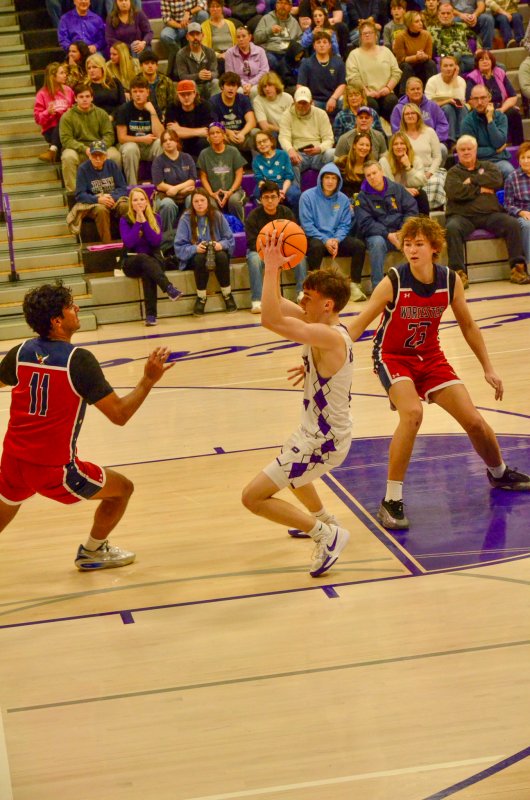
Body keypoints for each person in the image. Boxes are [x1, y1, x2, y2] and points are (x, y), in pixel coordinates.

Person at [344, 216, 530, 531]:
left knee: (473, 420)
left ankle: (498, 473)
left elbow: (469, 325)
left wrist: (488, 368)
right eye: (408, 244)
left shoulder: (449, 280)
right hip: (392, 357)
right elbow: (358, 325)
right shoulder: (393, 281)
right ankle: (391, 500)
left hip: (430, 357)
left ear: (434, 248)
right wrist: (320, 356)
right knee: (412, 414)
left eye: (419, 244)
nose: (412, 250)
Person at [0, 282, 173, 570]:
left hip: (13, 461)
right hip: (53, 469)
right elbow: (119, 415)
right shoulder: (77, 361)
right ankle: (92, 551)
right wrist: (147, 380)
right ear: (57, 321)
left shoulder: (20, 352)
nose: (76, 308)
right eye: (70, 306)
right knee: (123, 490)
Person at [241, 239, 353, 578]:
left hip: (325, 440)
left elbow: (270, 319)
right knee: (292, 469)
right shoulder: (325, 326)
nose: (301, 300)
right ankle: (322, 519)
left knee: (253, 497)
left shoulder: (329, 336)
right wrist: (268, 263)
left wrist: (273, 267)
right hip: (316, 432)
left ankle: (327, 536)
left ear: (327, 304)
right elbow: (276, 307)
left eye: (308, 296)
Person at [445, 135, 529, 288]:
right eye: (462, 150)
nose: (466, 152)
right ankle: (458, 274)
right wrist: (481, 189)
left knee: (512, 223)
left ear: (475, 150)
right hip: (462, 217)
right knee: (451, 228)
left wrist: (472, 180)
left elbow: (497, 180)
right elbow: (455, 192)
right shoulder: (453, 173)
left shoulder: (488, 166)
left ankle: (518, 269)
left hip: (490, 215)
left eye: (469, 149)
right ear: (457, 152)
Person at [299, 162, 367, 302]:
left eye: (334, 178)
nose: (330, 181)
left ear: (338, 181)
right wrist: (326, 240)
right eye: (327, 177)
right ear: (321, 179)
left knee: (358, 245)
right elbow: (307, 225)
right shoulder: (307, 197)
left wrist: (336, 240)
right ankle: (313, 288)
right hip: (316, 238)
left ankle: (354, 285)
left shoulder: (342, 199)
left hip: (336, 240)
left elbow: (345, 224)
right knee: (316, 246)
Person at [120, 188, 182, 326]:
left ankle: (150, 316)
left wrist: (145, 222)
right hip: (131, 261)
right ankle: (168, 288)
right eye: (135, 200)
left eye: (142, 199)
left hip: (153, 260)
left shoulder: (156, 218)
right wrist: (137, 223)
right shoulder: (124, 220)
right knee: (142, 258)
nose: (139, 202)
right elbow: (129, 242)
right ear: (131, 203)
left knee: (148, 271)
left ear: (147, 202)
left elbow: (155, 241)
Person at [354, 159, 418, 289]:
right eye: (368, 175)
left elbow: (411, 210)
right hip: (379, 235)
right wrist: (387, 234)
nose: (372, 177)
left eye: (374, 173)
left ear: (381, 172)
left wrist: (403, 231)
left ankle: (417, 280)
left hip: (401, 232)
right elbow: (366, 223)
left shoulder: (397, 188)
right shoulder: (361, 198)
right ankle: (377, 286)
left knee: (417, 238)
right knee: (377, 243)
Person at [244, 180, 306, 312]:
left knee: (300, 255)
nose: (270, 201)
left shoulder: (287, 213)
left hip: (285, 250)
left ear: (279, 198)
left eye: (273, 197)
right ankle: (257, 300)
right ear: (260, 199)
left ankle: (302, 293)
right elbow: (252, 242)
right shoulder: (253, 216)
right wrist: (270, 253)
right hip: (261, 251)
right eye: (266, 197)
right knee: (253, 259)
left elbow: (295, 237)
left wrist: (281, 251)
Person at [174, 188, 237, 315]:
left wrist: (221, 245)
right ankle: (201, 297)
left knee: (221, 257)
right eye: (196, 201)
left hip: (217, 252)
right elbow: (179, 246)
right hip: (196, 256)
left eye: (202, 200)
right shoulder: (186, 218)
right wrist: (194, 248)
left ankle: (227, 294)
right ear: (192, 203)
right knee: (199, 258)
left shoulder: (217, 215)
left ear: (208, 201)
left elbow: (229, 239)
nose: (199, 203)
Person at [59, 82, 122, 192]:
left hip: (100, 148)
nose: (84, 99)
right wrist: (84, 149)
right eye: (81, 97)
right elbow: (66, 139)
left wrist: (99, 148)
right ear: (75, 98)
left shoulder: (101, 114)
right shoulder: (67, 117)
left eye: (87, 96)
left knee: (114, 155)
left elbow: (109, 135)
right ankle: (74, 195)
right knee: (68, 157)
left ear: (92, 98)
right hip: (79, 150)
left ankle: (116, 190)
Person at [345, 20, 402, 121]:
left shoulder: (386, 51)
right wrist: (366, 92)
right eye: (364, 33)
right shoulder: (354, 54)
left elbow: (396, 72)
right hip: (365, 94)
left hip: (386, 92)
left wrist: (388, 89)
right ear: (361, 36)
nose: (367, 35)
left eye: (370, 33)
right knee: (370, 104)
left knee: (392, 101)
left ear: (376, 35)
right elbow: (352, 77)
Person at [465, 50, 524, 147]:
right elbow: (470, 100)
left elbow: (513, 96)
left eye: (487, 59)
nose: (485, 61)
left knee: (514, 113)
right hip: (482, 109)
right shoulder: (473, 77)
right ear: (477, 63)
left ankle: (518, 147)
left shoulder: (499, 72)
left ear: (492, 61)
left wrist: (502, 109)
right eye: (481, 60)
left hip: (501, 108)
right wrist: (486, 108)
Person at [278, 86, 335, 186]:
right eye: (299, 103)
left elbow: (329, 139)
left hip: (318, 154)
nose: (301, 106)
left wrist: (320, 148)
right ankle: (294, 193)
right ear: (294, 101)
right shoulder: (286, 115)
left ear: (311, 102)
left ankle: (330, 190)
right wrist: (290, 150)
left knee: (333, 153)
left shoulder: (321, 114)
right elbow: (284, 137)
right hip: (298, 155)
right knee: (285, 156)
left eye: (305, 103)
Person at [73, 139, 128, 242]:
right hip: (93, 203)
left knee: (125, 206)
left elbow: (122, 188)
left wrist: (112, 197)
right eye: (94, 155)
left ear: (106, 156)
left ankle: (131, 241)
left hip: (113, 199)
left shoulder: (112, 165)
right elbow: (79, 195)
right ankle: (108, 244)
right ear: (89, 156)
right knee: (101, 210)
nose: (98, 159)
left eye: (101, 155)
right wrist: (98, 199)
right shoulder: (83, 169)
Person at [115, 74, 164, 184]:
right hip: (130, 144)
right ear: (131, 93)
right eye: (135, 91)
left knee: (161, 143)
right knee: (131, 149)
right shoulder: (124, 109)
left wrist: (152, 113)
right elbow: (121, 138)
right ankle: (132, 188)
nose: (138, 95)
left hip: (149, 146)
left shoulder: (153, 107)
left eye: (141, 91)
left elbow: (161, 135)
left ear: (147, 92)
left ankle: (160, 184)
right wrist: (142, 139)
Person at [461, 85, 514, 182]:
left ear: (489, 97)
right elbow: (470, 151)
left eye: (483, 98)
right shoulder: (467, 122)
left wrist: (490, 120)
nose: (479, 102)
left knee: (509, 171)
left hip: (499, 161)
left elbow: (498, 143)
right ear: (471, 101)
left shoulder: (501, 117)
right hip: (477, 163)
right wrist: (496, 151)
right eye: (476, 99)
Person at [399, 102, 446, 210]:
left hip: (429, 170)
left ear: (418, 116)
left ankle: (432, 208)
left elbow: (437, 156)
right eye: (407, 114)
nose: (410, 116)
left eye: (413, 113)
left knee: (436, 182)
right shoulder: (401, 135)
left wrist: (429, 173)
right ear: (403, 117)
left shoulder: (429, 132)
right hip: (409, 170)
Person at [197, 122, 247, 221]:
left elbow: (239, 174)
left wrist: (230, 192)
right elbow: (203, 176)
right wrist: (211, 194)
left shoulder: (233, 151)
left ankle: (240, 228)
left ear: (224, 135)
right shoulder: (204, 154)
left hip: (234, 191)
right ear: (208, 137)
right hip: (213, 192)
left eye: (218, 132)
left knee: (234, 201)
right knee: (210, 203)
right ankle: (216, 231)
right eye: (212, 133)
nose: (215, 135)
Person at [390, 77, 449, 161]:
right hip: (409, 143)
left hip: (431, 141)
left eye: (418, 89)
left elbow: (443, 124)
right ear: (407, 92)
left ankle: (434, 171)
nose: (416, 91)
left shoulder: (433, 106)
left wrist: (434, 140)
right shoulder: (399, 108)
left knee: (442, 149)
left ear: (422, 90)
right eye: (412, 89)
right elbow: (396, 130)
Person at [152, 128, 197, 239]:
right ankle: (166, 238)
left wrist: (177, 189)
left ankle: (194, 234)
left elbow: (192, 180)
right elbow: (159, 184)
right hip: (165, 195)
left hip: (185, 193)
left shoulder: (187, 157)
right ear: (162, 144)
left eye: (171, 139)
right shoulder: (158, 161)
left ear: (177, 141)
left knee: (193, 200)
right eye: (165, 140)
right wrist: (180, 190)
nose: (168, 142)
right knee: (168, 205)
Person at [379, 131, 430, 216]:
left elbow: (422, 182)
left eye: (402, 143)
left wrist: (408, 167)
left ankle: (424, 225)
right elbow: (385, 185)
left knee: (422, 194)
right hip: (392, 196)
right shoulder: (384, 162)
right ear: (391, 147)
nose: (399, 146)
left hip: (411, 195)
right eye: (395, 144)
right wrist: (403, 191)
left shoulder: (416, 160)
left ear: (407, 146)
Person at [253, 0, 303, 85]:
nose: (282, 6)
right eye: (280, 2)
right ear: (276, 5)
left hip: (288, 54)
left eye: (286, 3)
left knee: (303, 61)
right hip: (271, 51)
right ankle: (281, 83)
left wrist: (294, 48)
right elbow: (256, 38)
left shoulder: (294, 22)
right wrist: (270, 31)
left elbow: (300, 39)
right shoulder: (267, 18)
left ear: (291, 7)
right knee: (271, 60)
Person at [34, 62, 75, 163]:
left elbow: (75, 107)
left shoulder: (68, 90)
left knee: (64, 119)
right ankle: (54, 150)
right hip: (51, 130)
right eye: (61, 73)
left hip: (69, 127)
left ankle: (53, 150)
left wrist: (72, 110)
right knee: (62, 120)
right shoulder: (42, 94)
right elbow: (38, 120)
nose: (65, 75)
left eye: (65, 73)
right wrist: (47, 112)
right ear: (53, 76)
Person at [296, 30, 345, 114]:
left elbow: (342, 85)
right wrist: (309, 100)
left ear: (330, 45)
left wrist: (333, 98)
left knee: (344, 101)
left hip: (333, 99)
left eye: (325, 42)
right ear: (314, 46)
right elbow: (300, 85)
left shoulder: (338, 62)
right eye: (318, 42)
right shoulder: (306, 63)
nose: (322, 45)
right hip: (314, 101)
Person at [210, 71, 259, 154]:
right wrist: (228, 132)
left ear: (237, 87)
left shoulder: (243, 99)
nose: (231, 88)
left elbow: (252, 122)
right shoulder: (213, 101)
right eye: (228, 85)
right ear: (222, 86)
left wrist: (242, 133)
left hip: (241, 135)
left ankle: (258, 163)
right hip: (225, 137)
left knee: (256, 132)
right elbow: (213, 124)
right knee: (214, 135)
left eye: (234, 85)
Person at [424, 54, 467, 147]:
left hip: (456, 109)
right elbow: (427, 104)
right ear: (440, 67)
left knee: (463, 109)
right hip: (436, 111)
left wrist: (455, 79)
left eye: (451, 66)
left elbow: (460, 101)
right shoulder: (433, 81)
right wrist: (448, 100)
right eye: (445, 66)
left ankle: (463, 139)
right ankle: (450, 140)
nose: (448, 68)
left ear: (456, 67)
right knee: (448, 108)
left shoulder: (460, 81)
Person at [165, 78, 214, 159]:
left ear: (195, 93)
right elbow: (172, 134)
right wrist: (198, 132)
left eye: (189, 94)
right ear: (178, 95)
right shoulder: (172, 107)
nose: (186, 97)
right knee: (171, 142)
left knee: (205, 142)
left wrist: (180, 129)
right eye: (182, 95)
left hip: (199, 142)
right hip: (181, 142)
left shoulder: (204, 106)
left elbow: (206, 131)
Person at [252, 130, 300, 211]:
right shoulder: (256, 160)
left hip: (283, 184)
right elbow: (259, 179)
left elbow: (289, 176)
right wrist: (270, 193)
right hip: (266, 186)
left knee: (295, 194)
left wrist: (283, 192)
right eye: (259, 142)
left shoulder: (283, 154)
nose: (262, 144)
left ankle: (295, 220)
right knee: (257, 193)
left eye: (264, 141)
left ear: (271, 141)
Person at [160, 0, 209, 78]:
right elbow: (167, 19)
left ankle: (201, 40)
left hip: (193, 22)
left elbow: (202, 4)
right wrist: (181, 26)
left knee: (203, 14)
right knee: (165, 35)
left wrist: (189, 12)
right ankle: (182, 55)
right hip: (176, 26)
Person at [392, 11, 437, 96]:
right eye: (417, 21)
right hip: (405, 66)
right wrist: (415, 57)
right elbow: (400, 60)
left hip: (421, 65)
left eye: (421, 21)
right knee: (406, 66)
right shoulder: (400, 37)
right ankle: (404, 96)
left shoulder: (426, 35)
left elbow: (429, 56)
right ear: (409, 24)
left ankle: (432, 92)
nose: (420, 23)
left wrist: (424, 56)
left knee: (431, 63)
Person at [175, 22, 220, 98]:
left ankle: (214, 107)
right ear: (187, 37)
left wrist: (210, 75)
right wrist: (198, 76)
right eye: (192, 35)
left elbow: (215, 72)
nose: (195, 37)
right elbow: (182, 76)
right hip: (192, 85)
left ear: (202, 36)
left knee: (216, 82)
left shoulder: (210, 52)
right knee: (191, 83)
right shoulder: (181, 54)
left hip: (208, 84)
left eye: (197, 34)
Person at [224, 26, 269, 98]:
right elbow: (230, 73)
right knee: (239, 91)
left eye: (243, 36)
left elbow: (264, 71)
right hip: (237, 83)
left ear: (250, 37)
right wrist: (244, 84)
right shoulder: (229, 53)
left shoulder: (260, 51)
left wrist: (251, 84)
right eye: (238, 37)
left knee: (254, 91)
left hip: (256, 83)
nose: (241, 39)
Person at [430, 3, 476, 75]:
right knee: (456, 59)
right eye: (443, 13)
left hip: (467, 57)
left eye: (448, 13)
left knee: (497, 65)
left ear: (453, 15)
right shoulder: (432, 30)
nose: (445, 16)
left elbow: (475, 37)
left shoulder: (462, 26)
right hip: (447, 58)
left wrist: (479, 48)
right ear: (438, 14)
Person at [504, 142, 530, 265]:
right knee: (527, 225)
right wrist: (521, 212)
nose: (526, 161)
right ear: (518, 160)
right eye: (522, 158)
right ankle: (529, 264)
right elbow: (508, 204)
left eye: (529, 157)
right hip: (522, 214)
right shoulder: (512, 178)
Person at [138, 48, 176, 122]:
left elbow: (172, 103)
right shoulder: (137, 82)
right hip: (144, 118)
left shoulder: (166, 81)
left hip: (165, 117)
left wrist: (165, 116)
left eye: (152, 63)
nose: (150, 66)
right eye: (146, 63)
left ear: (157, 65)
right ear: (141, 66)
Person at [86, 53, 126, 118]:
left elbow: (122, 104)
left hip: (115, 117)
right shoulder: (86, 86)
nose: (91, 70)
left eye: (94, 67)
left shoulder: (114, 82)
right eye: (89, 68)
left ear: (102, 68)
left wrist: (112, 116)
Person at [334, 130, 373, 196]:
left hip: (363, 203)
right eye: (361, 144)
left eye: (367, 145)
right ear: (354, 145)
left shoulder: (372, 166)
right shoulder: (342, 163)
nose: (364, 148)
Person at [201, 0, 237, 65]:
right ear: (209, 9)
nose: (215, 9)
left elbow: (236, 44)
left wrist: (229, 54)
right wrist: (218, 55)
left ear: (222, 8)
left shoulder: (230, 24)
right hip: (214, 58)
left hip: (232, 56)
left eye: (218, 6)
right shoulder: (204, 26)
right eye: (212, 7)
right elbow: (204, 48)